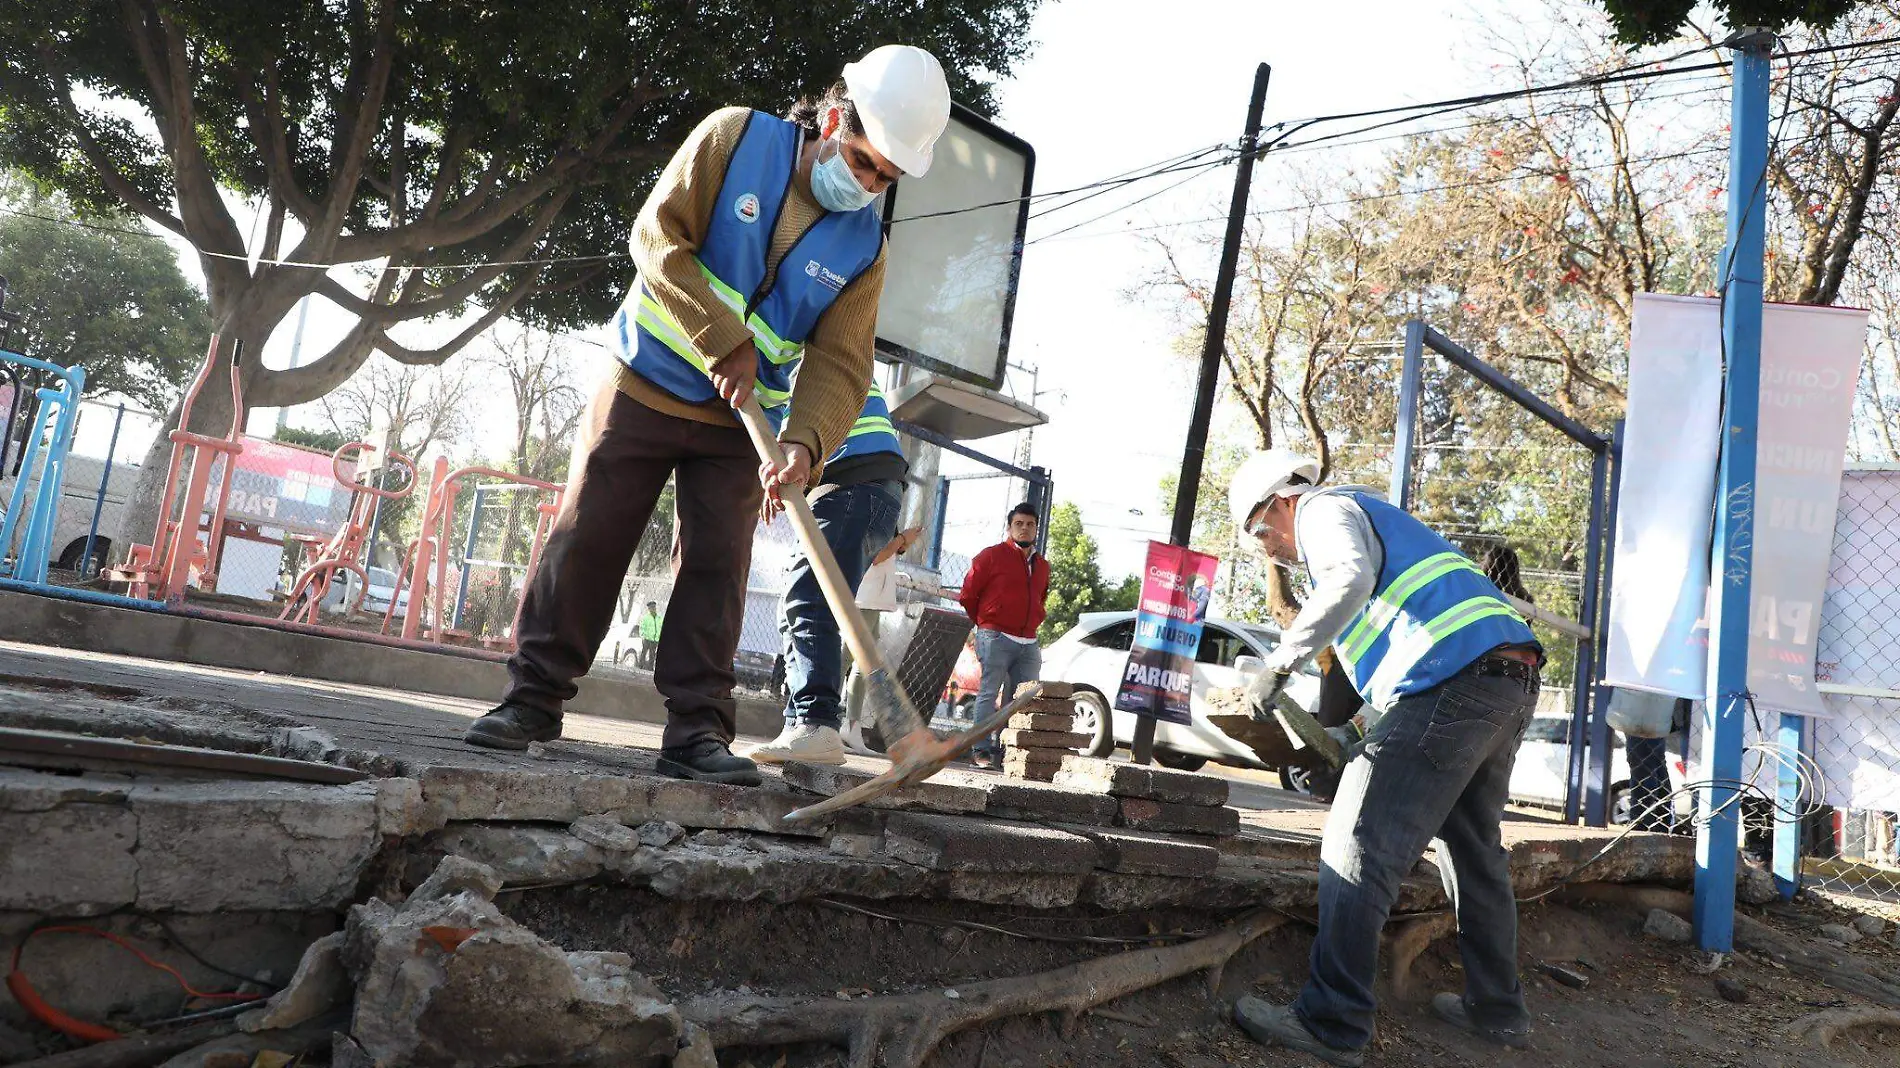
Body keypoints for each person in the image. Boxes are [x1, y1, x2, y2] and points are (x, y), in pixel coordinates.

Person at [462, 46, 952, 790]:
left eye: (884, 177)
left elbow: (842, 365)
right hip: (646, 383)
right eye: (861, 161)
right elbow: (657, 239)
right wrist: (722, 339)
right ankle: (531, 699)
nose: (867, 184)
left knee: (720, 567)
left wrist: (804, 443)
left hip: (739, 426)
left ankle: (695, 730)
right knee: (589, 534)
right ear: (830, 120)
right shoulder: (733, 139)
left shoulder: (865, 248)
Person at [1224, 450, 1543, 1066]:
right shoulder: (1379, 528)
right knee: (1471, 848)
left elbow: (1349, 580)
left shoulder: (1323, 510)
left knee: (1357, 840)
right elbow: (1400, 653)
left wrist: (1279, 663)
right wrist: (1359, 732)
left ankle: (1331, 1021)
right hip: (1504, 679)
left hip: (1454, 682)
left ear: (1283, 499)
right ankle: (1498, 1012)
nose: (1270, 549)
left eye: (1263, 531)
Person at [745, 383, 915, 766]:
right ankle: (801, 724)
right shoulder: (828, 346)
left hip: (852, 484)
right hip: (875, 490)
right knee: (800, 603)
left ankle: (815, 724)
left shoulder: (788, 355)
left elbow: (785, 428)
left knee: (809, 599)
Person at [959, 503, 1050, 768]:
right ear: (1010, 527)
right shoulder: (991, 556)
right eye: (1019, 523)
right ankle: (980, 750)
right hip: (996, 636)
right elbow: (968, 595)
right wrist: (986, 623)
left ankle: (1009, 751)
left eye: (1030, 524)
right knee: (989, 693)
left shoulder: (1043, 565)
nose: (1025, 528)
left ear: (1036, 528)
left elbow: (1041, 598)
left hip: (1029, 641)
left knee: (1023, 698)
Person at [635, 601, 662, 672]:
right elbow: (642, 628)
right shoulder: (646, 618)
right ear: (649, 609)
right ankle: (640, 666)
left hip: (655, 639)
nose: (653, 609)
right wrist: (643, 636)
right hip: (647, 638)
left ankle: (650, 668)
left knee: (652, 654)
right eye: (651, 607)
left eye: (654, 607)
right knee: (644, 652)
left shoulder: (659, 618)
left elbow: (660, 628)